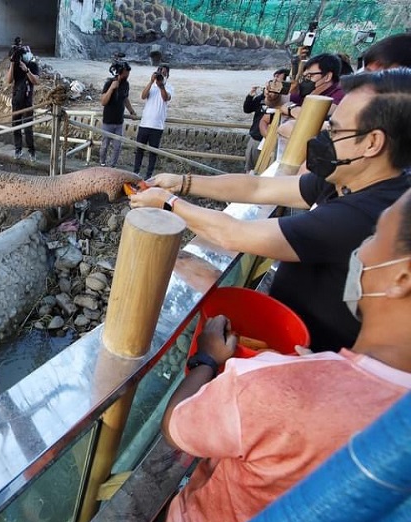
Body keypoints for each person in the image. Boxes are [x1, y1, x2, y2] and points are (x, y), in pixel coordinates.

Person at [152, 187, 411, 522]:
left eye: (375, 236)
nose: (362, 250)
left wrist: (207, 358)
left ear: (401, 277)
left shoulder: (274, 386)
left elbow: (176, 426)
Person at [129, 68, 411, 353]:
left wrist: (168, 203)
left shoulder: (362, 214)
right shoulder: (347, 181)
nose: (325, 136)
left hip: (304, 356)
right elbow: (258, 189)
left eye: (335, 130)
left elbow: (233, 234)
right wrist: (182, 182)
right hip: (286, 328)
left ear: (372, 143)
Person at [242, 68, 289, 173]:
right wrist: (250, 95)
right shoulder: (264, 96)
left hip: (272, 143)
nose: (275, 81)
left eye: (278, 79)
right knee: (250, 171)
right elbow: (247, 109)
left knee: (265, 173)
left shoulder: (287, 100)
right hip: (255, 139)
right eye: (274, 78)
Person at [133, 65, 173, 178]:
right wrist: (151, 82)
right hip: (144, 124)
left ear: (168, 75)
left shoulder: (169, 87)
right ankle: (135, 173)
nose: (162, 74)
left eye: (164, 73)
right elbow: (143, 96)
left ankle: (149, 176)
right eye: (160, 72)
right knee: (139, 150)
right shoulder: (151, 86)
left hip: (157, 126)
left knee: (153, 153)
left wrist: (161, 87)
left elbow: (166, 98)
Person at [281, 53, 344, 122]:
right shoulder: (309, 92)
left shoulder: (340, 94)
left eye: (309, 76)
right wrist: (272, 97)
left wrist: (290, 109)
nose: (305, 80)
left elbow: (312, 115)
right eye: (304, 77)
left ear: (327, 77)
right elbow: (281, 101)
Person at [6, 37, 40, 161]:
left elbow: (36, 81)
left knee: (28, 128)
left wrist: (27, 70)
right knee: (16, 126)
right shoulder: (15, 65)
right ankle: (18, 149)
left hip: (27, 102)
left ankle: (31, 151)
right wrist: (12, 63)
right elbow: (9, 80)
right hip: (16, 101)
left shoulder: (32, 64)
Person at [98, 62, 136, 168]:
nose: (127, 76)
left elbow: (125, 99)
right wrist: (112, 88)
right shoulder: (109, 83)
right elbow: (103, 102)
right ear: (120, 72)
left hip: (119, 122)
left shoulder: (126, 84)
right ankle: (102, 164)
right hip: (108, 121)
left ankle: (112, 166)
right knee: (105, 145)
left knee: (117, 146)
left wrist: (131, 111)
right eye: (125, 74)